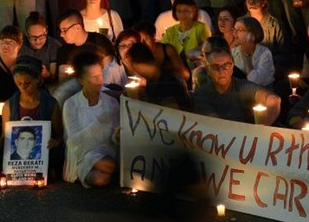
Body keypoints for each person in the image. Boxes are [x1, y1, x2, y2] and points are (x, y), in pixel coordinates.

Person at [63, 52, 120, 188]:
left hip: (105, 152)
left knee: (107, 169)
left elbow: (114, 138)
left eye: (100, 76)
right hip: (82, 155)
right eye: (93, 77)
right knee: (100, 177)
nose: (99, 81)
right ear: (81, 80)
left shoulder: (111, 102)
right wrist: (99, 123)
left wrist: (117, 136)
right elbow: (74, 142)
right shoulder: (71, 104)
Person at [194, 47, 281, 124]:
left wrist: (262, 128)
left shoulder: (241, 87)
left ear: (232, 68)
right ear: (208, 70)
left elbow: (273, 100)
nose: (222, 71)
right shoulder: (202, 94)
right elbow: (215, 124)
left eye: (226, 65)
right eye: (215, 67)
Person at [122, 42, 192, 110]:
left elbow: (171, 115)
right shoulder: (155, 80)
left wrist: (136, 101)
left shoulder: (167, 82)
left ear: (135, 64)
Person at [161, 0, 210, 71]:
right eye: (179, 11)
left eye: (186, 11)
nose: (182, 15)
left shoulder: (201, 28)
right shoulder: (170, 31)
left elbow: (207, 50)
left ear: (193, 11)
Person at [19, 12, 61, 85]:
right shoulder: (20, 46)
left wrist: (47, 74)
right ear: (26, 34)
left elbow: (54, 77)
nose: (37, 41)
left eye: (41, 36)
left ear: (46, 30)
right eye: (33, 37)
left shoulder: (53, 46)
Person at [231, 16, 275, 87]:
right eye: (234, 29)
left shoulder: (265, 53)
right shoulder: (234, 52)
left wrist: (246, 56)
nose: (234, 33)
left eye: (239, 30)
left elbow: (254, 81)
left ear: (252, 34)